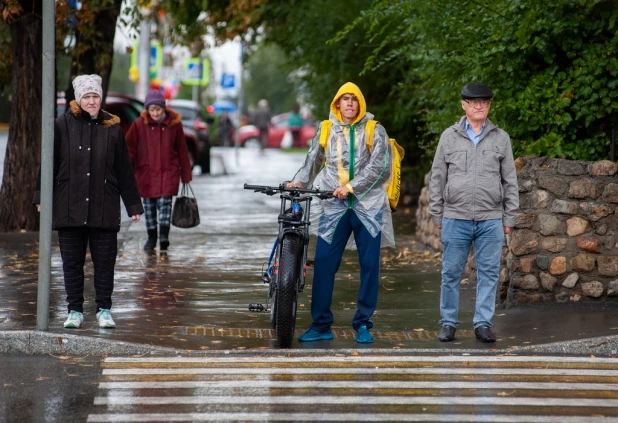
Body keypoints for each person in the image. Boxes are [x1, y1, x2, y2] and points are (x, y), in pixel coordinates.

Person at [33, 74, 144, 329]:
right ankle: (74, 311)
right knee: (72, 263)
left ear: (101, 98)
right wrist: (41, 197)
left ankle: (104, 310)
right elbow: (47, 164)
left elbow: (124, 169)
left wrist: (133, 205)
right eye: (87, 96)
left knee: (105, 263)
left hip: (103, 207)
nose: (92, 101)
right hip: (69, 206)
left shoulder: (112, 129)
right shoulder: (61, 125)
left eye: (95, 96)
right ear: (78, 99)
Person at [287, 82, 394, 344]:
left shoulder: (374, 129)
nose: (349, 103)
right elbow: (312, 161)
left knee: (369, 266)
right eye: (344, 99)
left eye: (353, 99)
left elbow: (380, 168)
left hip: (368, 207)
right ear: (337, 103)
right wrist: (298, 183)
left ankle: (363, 324)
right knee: (324, 263)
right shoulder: (326, 129)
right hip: (333, 205)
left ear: (360, 104)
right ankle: (321, 324)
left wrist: (350, 188)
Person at [428, 82, 519, 343]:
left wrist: (509, 216)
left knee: (489, 272)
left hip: (491, 218)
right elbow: (437, 177)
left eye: (485, 102)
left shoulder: (501, 138)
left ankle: (482, 324)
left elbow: (509, 180)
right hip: (455, 216)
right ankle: (448, 323)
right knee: (451, 272)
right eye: (474, 101)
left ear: (489, 105)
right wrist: (437, 214)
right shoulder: (449, 136)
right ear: (464, 105)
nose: (480, 106)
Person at [125, 89, 193, 252]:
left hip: (168, 173)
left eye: (158, 109)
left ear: (164, 108)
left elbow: (182, 150)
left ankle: (163, 237)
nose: (155, 113)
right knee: (149, 209)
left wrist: (186, 174)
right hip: (146, 174)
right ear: (147, 110)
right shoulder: (139, 125)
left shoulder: (174, 125)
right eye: (152, 109)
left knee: (165, 206)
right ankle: (152, 237)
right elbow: (130, 149)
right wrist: (127, 170)